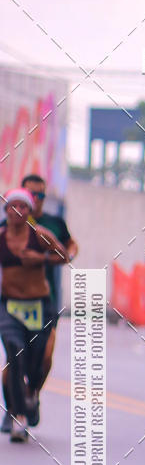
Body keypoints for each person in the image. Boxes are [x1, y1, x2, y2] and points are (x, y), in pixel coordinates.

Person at [1, 174, 77, 432]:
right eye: (14, 205)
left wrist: (41, 259)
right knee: (14, 352)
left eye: (39, 196)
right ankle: (16, 412)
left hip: (42, 304)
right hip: (10, 305)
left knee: (40, 359)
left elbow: (67, 252)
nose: (19, 210)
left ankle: (31, 394)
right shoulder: (3, 232)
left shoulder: (46, 230)